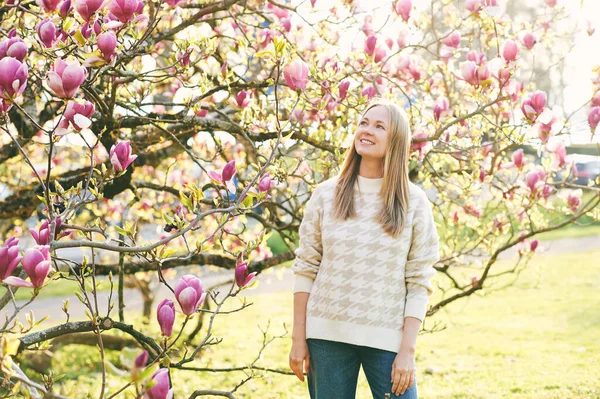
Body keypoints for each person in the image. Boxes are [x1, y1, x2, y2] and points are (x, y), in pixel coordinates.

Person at [288, 97, 440, 398]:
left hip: (388, 340)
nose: (366, 130)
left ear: (395, 140)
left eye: (379, 126)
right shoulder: (325, 195)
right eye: (363, 123)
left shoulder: (414, 202)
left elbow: (419, 280)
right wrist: (298, 338)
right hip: (326, 336)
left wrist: (407, 351)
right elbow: (305, 269)